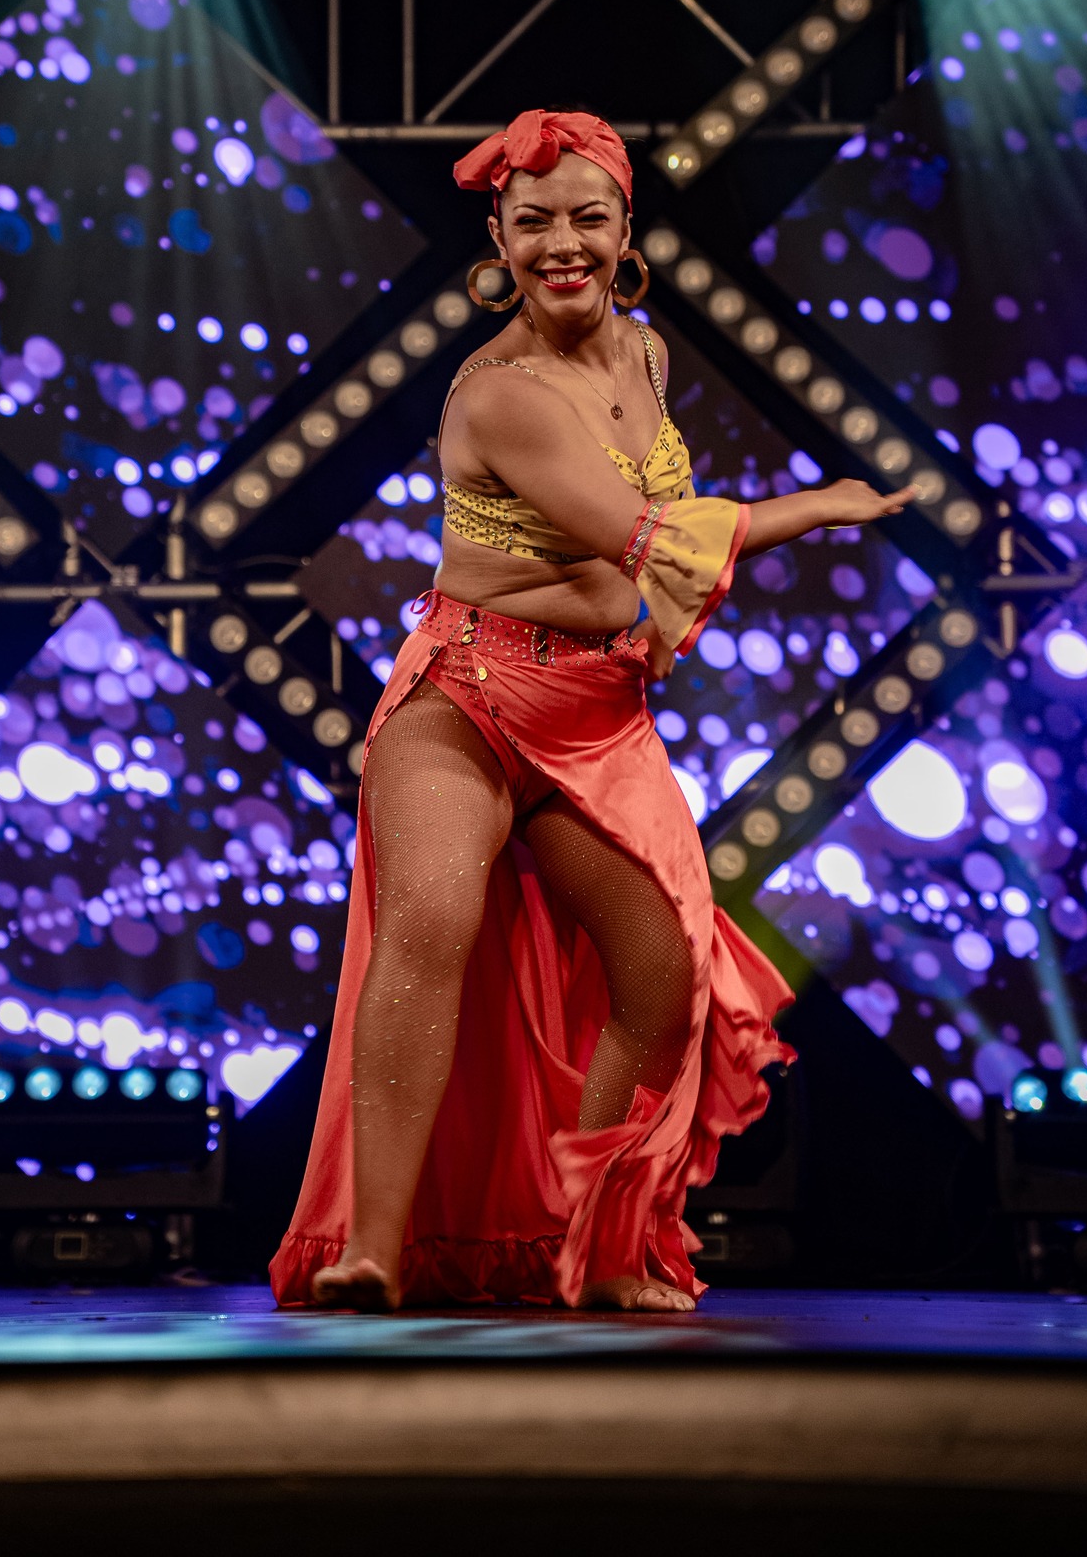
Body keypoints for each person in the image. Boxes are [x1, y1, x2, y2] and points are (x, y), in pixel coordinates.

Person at [271, 107, 916, 1313]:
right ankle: (374, 1248)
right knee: (432, 919)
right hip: (467, 698)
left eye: (587, 217)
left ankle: (603, 1247)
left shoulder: (646, 356)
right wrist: (822, 501)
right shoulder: (498, 393)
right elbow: (645, 536)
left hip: (594, 715)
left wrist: (639, 633)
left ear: (626, 229)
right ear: (498, 239)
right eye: (534, 222)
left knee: (663, 977)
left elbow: (635, 578)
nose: (562, 243)